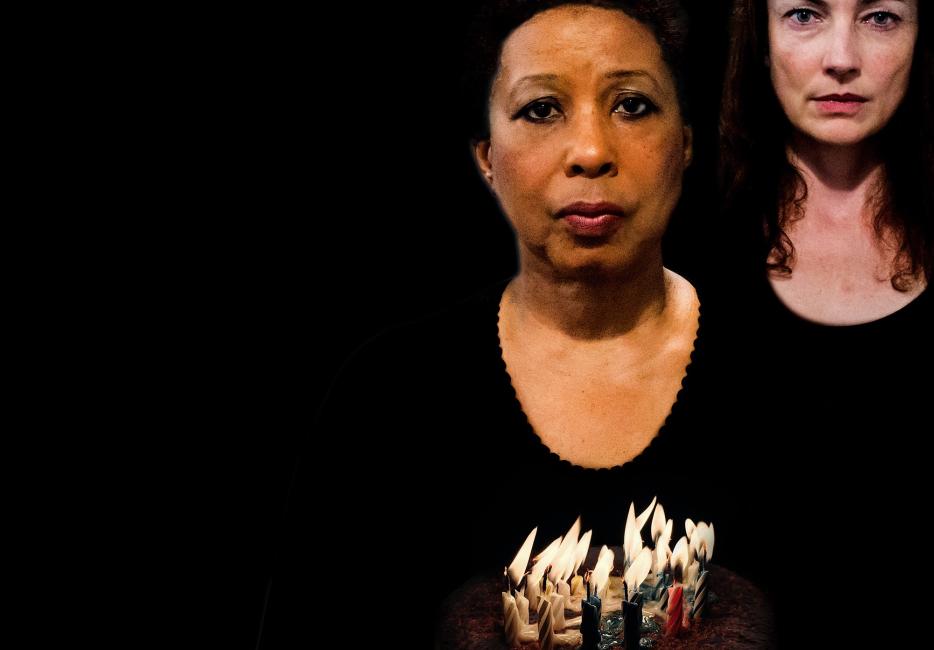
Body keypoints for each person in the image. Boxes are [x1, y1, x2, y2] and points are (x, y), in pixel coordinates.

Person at [258, 2, 739, 648]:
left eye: (631, 105)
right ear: (486, 155)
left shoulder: (796, 375)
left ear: (684, 142)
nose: (592, 151)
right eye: (541, 109)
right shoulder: (389, 396)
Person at [716, 1, 934, 646]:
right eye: (804, 16)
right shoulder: (687, 267)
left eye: (879, 18)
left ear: (922, 38)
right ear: (758, 41)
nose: (842, 59)